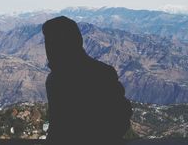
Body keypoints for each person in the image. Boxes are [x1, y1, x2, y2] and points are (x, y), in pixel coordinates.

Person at [42, 16, 132, 145]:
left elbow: (59, 130)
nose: (48, 48)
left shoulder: (55, 81)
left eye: (52, 42)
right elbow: (122, 117)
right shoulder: (103, 72)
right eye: (48, 42)